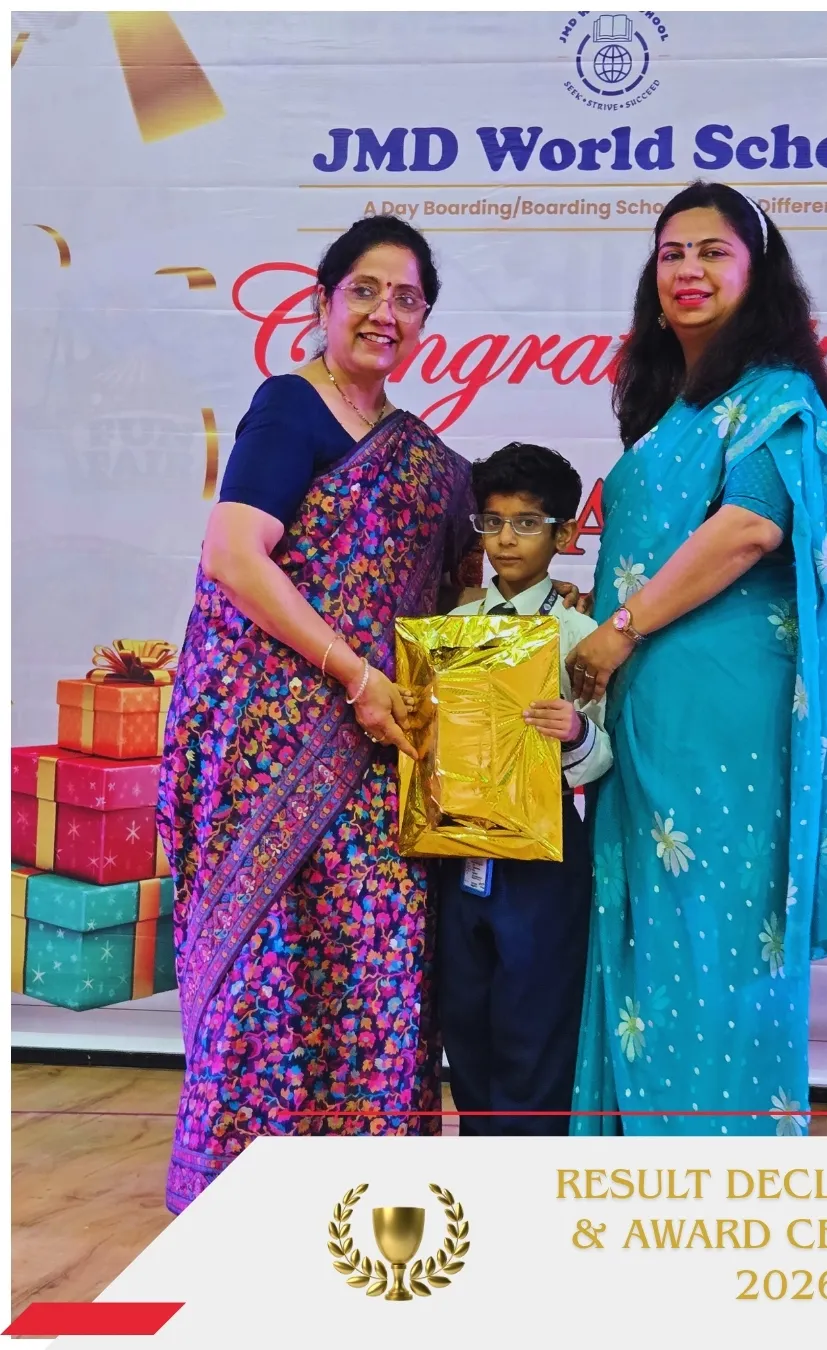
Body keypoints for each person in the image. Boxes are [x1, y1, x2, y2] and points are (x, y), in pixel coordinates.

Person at [156, 216, 486, 1214]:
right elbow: (234, 553)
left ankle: (361, 1193)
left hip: (380, 754)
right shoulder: (289, 407)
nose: (386, 312)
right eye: (365, 291)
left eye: (408, 298)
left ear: (425, 319)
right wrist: (354, 674)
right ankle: (244, 1198)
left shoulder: (425, 459)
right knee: (270, 967)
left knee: (372, 964)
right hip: (270, 745)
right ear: (323, 302)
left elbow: (450, 599)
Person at [565, 181, 827, 1137]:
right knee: (647, 941)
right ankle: (631, 1177)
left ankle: (717, 1174)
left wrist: (619, 628)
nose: (689, 270)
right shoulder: (672, 410)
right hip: (651, 716)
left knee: (720, 943)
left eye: (713, 252)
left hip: (725, 724)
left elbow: (750, 528)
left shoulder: (776, 396)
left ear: (757, 273)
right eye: (672, 254)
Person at [440, 443, 612, 1134]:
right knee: (464, 1012)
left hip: (545, 850)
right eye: (492, 522)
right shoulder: (450, 630)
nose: (506, 539)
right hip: (459, 845)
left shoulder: (580, 635)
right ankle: (480, 1156)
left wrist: (574, 732)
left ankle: (530, 1164)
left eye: (526, 523)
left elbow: (603, 756)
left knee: (534, 1014)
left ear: (564, 534)